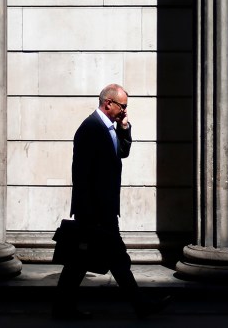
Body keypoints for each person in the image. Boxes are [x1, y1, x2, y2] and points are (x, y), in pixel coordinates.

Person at [52, 83, 171, 321]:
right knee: (115, 259)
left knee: (81, 261)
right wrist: (90, 215)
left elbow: (122, 153)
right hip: (96, 213)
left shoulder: (109, 127)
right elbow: (82, 175)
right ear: (108, 103)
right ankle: (141, 306)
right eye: (123, 106)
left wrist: (124, 128)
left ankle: (62, 307)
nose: (125, 111)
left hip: (103, 211)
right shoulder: (90, 129)